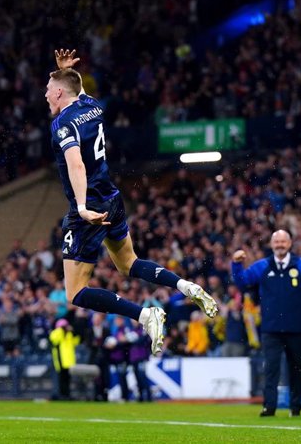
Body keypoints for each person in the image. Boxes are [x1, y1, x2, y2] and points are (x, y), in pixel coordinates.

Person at [45, 49, 217, 356]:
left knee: (75, 293)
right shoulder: (91, 106)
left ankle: (144, 315)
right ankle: (183, 286)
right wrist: (68, 71)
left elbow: (76, 166)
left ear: (59, 92)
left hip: (90, 209)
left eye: (48, 90)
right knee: (129, 263)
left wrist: (83, 208)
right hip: (112, 197)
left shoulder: (62, 124)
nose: (45, 95)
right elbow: (78, 88)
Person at [231, 230, 301, 417]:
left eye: (283, 241)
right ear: (271, 244)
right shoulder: (262, 266)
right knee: (271, 369)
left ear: (290, 243)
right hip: (271, 329)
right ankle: (269, 407)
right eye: (276, 241)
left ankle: (296, 407)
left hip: (297, 328)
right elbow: (243, 282)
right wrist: (236, 265)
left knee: (297, 369)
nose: (280, 245)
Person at [49, 318, 80, 400]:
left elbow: (76, 341)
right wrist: (62, 329)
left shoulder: (69, 334)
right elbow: (54, 338)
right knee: (60, 379)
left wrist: (73, 331)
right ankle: (60, 394)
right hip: (60, 360)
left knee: (67, 379)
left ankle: (66, 394)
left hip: (68, 361)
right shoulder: (56, 333)